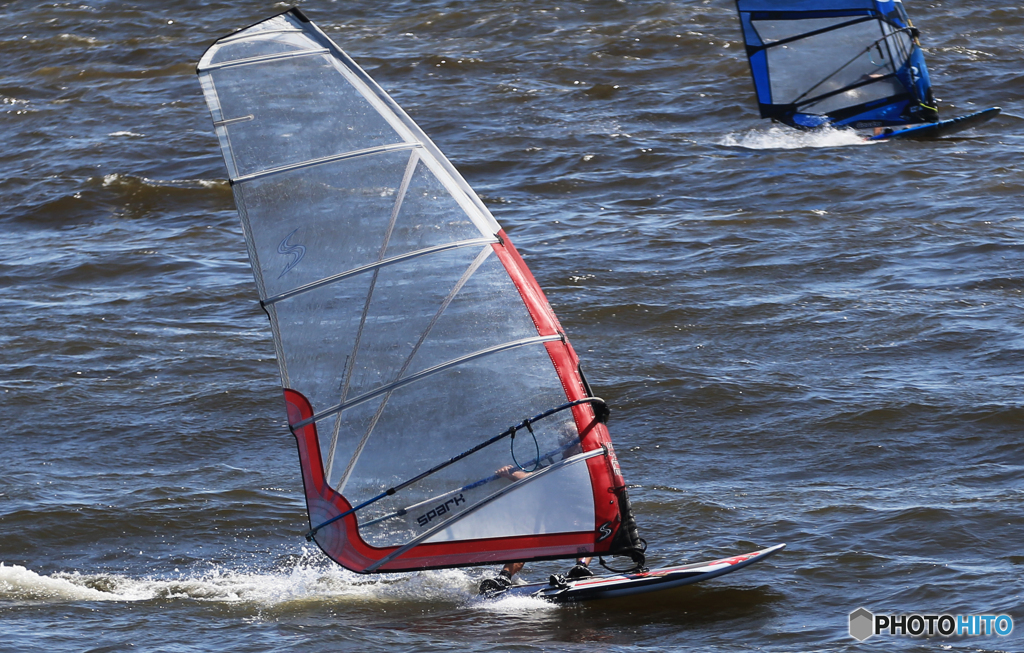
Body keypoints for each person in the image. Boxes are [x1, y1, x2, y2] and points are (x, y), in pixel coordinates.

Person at [478, 423, 594, 594]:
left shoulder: (588, 462)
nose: (570, 441)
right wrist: (509, 473)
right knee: (526, 533)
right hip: (549, 518)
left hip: (575, 519)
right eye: (567, 438)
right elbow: (533, 477)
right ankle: (504, 576)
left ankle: (581, 568)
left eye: (574, 438)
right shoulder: (558, 464)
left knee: (587, 524)